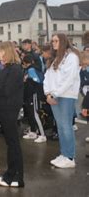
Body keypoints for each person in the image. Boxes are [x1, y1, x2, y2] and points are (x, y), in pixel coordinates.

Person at [44, 33, 81, 169]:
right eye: (52, 41)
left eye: (56, 41)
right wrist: (48, 93)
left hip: (66, 96)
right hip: (54, 96)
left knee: (66, 126)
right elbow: (47, 77)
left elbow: (69, 79)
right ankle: (64, 154)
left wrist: (56, 94)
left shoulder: (72, 57)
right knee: (60, 126)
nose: (53, 43)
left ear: (63, 42)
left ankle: (70, 157)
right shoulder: (55, 59)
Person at [0, 41, 25, 188]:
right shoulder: (8, 68)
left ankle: (17, 177)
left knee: (13, 144)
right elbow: (0, 88)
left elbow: (5, 90)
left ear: (6, 52)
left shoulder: (14, 69)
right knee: (11, 144)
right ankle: (11, 173)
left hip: (10, 110)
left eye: (0, 51)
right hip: (5, 109)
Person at [21, 54, 46, 143]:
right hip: (29, 95)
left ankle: (42, 135)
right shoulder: (28, 70)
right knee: (31, 114)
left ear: (25, 63)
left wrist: (28, 79)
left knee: (35, 114)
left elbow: (37, 81)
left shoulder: (31, 69)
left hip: (33, 95)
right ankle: (33, 131)